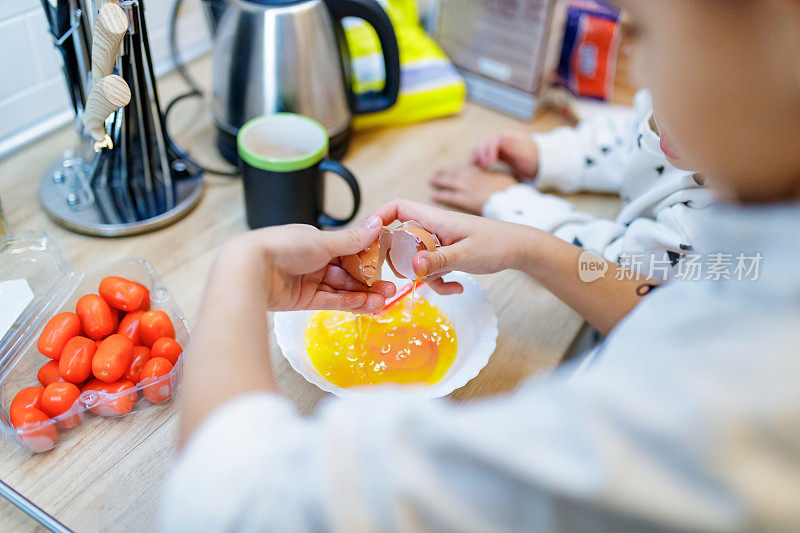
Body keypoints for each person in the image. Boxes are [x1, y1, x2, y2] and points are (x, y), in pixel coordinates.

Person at [161, 1, 800, 530]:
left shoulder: (705, 408)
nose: (644, 82)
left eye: (644, 34)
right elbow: (663, 293)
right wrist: (526, 242)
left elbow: (232, 501)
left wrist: (240, 271)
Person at [429, 89, 715, 280]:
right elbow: (635, 133)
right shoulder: (674, 84)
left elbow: (610, 272)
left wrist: (511, 203)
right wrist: (549, 156)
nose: (671, 116)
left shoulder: (714, 227)